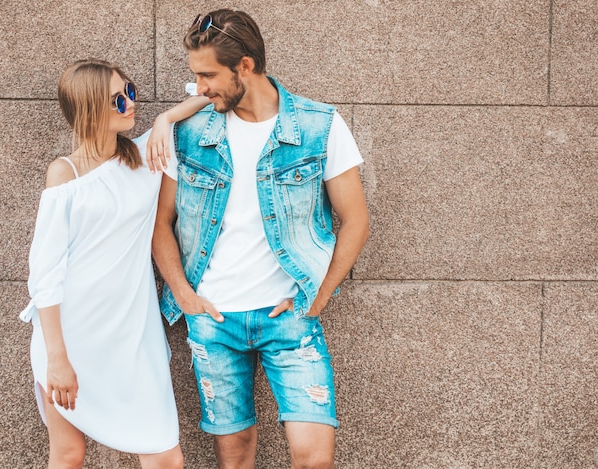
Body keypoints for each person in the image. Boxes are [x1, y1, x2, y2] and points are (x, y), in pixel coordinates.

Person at [147, 9, 369, 469]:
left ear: (244, 66)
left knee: (315, 459)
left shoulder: (318, 126)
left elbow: (356, 219)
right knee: (235, 458)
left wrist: (319, 296)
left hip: (289, 316)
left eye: (207, 75)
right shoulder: (186, 134)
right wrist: (186, 296)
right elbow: (160, 223)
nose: (199, 87)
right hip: (214, 318)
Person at [19, 59, 207, 469]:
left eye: (130, 92)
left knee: (165, 457)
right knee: (68, 453)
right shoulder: (63, 174)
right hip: (71, 337)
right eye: (116, 100)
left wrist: (166, 119)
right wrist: (57, 358)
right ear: (88, 109)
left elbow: (206, 97)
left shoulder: (144, 156)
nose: (128, 104)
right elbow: (46, 273)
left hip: (131, 338)